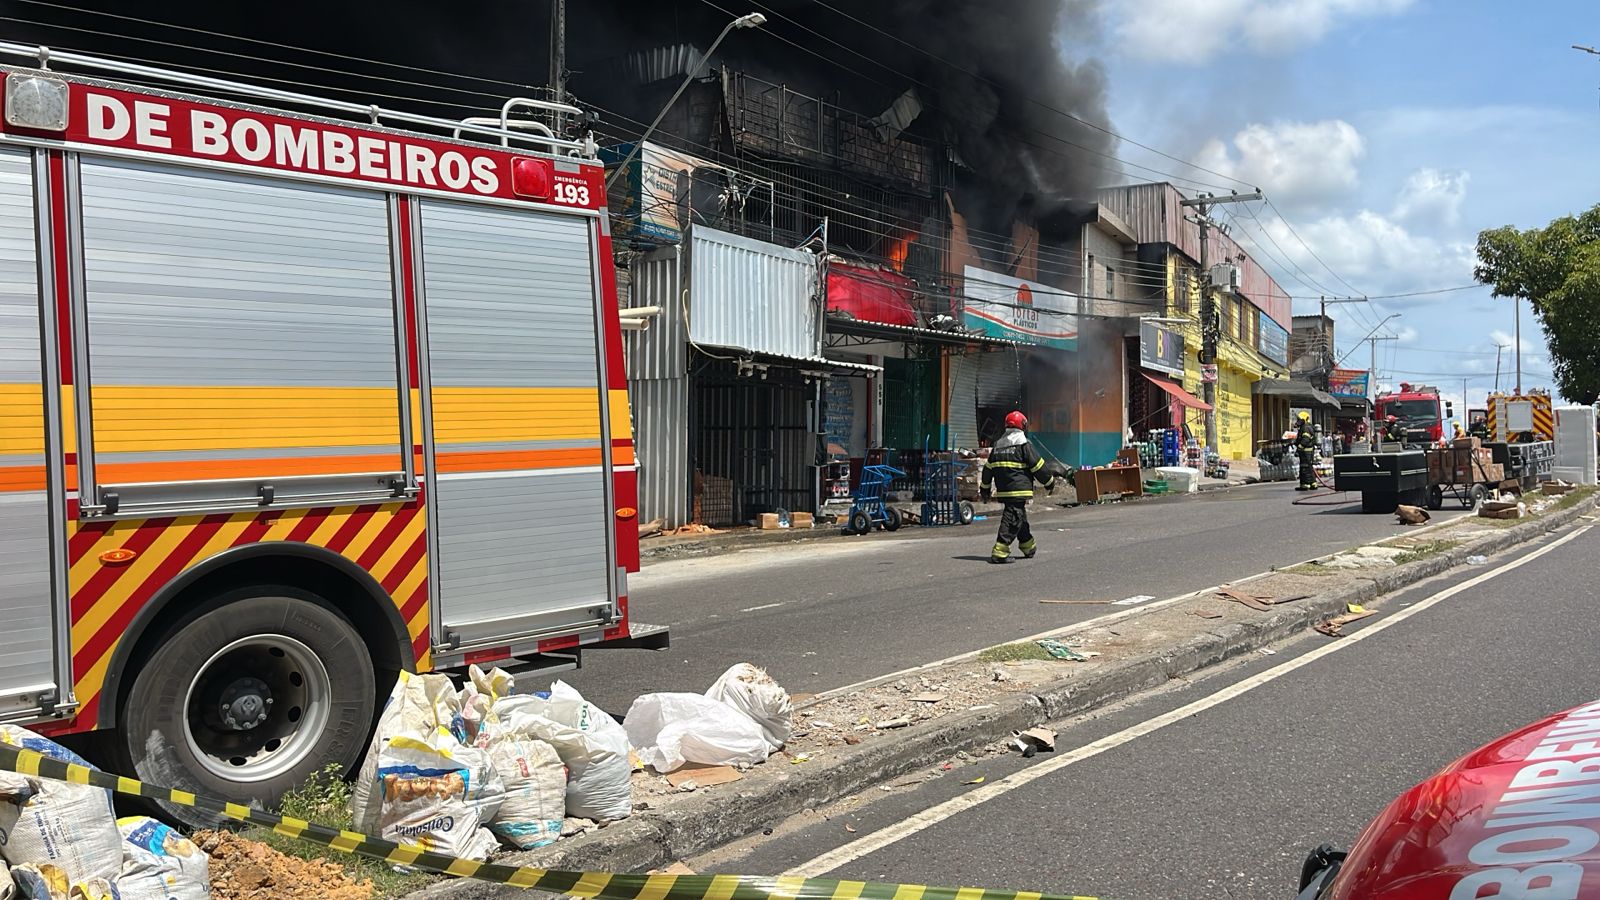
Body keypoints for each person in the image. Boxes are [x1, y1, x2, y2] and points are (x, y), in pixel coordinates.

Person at [980, 411, 1055, 564]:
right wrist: (1049, 482)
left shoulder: (998, 447)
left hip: (1005, 490)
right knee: (1013, 517)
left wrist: (985, 490)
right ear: (1022, 425)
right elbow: (1038, 466)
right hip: (1019, 489)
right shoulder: (1024, 445)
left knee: (1019, 516)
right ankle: (1000, 551)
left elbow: (988, 470)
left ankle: (1028, 546)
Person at [1294, 412, 1319, 491]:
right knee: (1309, 467)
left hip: (1305, 451)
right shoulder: (1306, 426)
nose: (1298, 421)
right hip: (1308, 451)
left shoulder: (1305, 427)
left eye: (1299, 419)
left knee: (1304, 468)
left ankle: (1305, 484)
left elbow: (1306, 439)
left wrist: (1300, 447)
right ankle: (1313, 483)